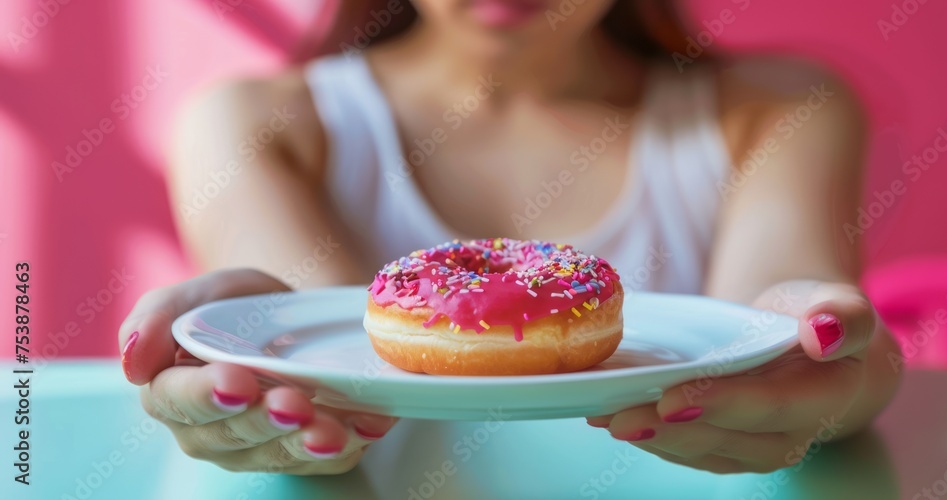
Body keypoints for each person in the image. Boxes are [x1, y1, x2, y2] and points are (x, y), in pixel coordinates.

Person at [118, 0, 902, 475]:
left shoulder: (779, 107)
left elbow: (764, 344)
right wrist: (260, 388)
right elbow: (332, 367)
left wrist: (840, 375)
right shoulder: (259, 122)